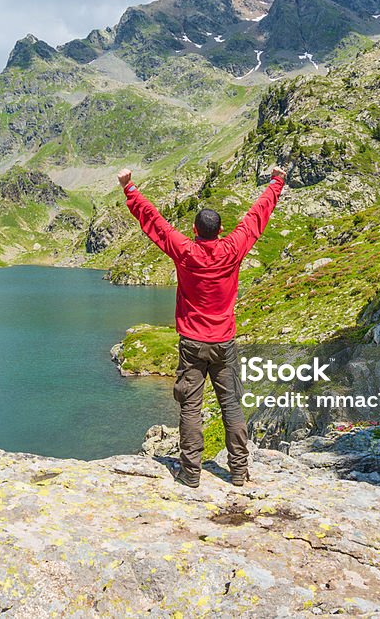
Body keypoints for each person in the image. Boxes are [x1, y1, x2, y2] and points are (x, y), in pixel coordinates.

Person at [118, 166, 286, 487]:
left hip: (192, 344)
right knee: (231, 405)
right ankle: (238, 471)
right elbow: (256, 217)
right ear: (220, 229)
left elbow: (154, 222)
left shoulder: (185, 251)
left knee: (191, 407)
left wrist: (130, 189)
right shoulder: (233, 248)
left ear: (195, 230)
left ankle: (191, 473)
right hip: (224, 343)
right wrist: (276, 183)